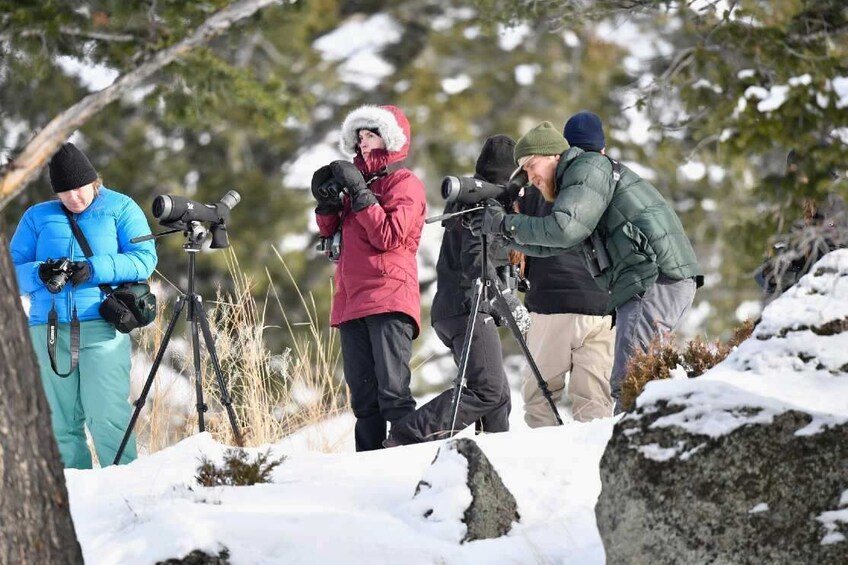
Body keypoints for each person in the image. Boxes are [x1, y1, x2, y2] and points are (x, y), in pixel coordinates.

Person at [471, 113, 700, 414]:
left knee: (631, 382)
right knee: (633, 380)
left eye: (531, 166)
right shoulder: (582, 177)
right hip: (654, 278)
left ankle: (631, 454)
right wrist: (501, 230)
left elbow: (565, 229)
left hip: (653, 279)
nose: (530, 177)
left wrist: (506, 225)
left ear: (554, 154)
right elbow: (555, 244)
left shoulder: (587, 166)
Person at [10, 141, 157, 468]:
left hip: (102, 326)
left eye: (79, 189)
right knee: (60, 424)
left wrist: (94, 269)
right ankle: (73, 500)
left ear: (94, 181)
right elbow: (9, 274)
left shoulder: (120, 207)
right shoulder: (37, 217)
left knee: (107, 417)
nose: (73, 198)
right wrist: (40, 272)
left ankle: (123, 495)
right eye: (64, 193)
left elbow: (144, 260)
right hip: (47, 329)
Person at [385, 135, 516, 446]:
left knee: (499, 397)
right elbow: (475, 261)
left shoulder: (468, 199)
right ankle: (408, 435)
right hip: (468, 307)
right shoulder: (486, 204)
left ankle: (494, 457)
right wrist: (505, 298)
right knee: (488, 390)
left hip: (453, 308)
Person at [312, 105, 426, 451]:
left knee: (393, 392)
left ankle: (410, 462)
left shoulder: (405, 183)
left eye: (371, 134)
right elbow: (329, 237)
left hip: (389, 297)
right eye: (359, 137)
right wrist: (327, 205)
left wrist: (361, 194)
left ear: (390, 139)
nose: (363, 143)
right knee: (363, 400)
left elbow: (389, 237)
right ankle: (366, 472)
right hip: (351, 301)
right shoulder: (355, 190)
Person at [512, 182, 615, 424]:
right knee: (595, 401)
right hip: (600, 304)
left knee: (540, 400)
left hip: (551, 301)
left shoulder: (532, 191)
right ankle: (594, 459)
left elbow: (514, 247)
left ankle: (546, 460)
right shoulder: (602, 190)